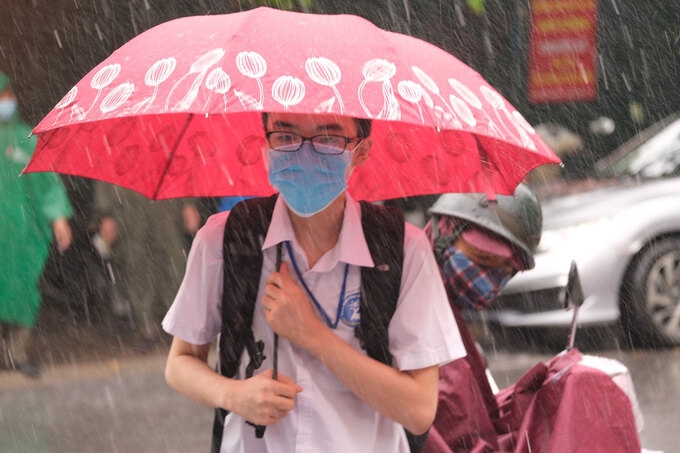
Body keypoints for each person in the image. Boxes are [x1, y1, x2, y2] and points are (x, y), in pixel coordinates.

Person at [162, 112, 465, 452]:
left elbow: (419, 410)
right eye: (285, 136)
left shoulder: (404, 251)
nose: (304, 152)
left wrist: (312, 335)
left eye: (329, 138)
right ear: (266, 146)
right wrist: (232, 394)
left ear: (361, 151)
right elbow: (180, 362)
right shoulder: (224, 240)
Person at [422, 184, 543, 452]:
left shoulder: (443, 303)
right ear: (446, 230)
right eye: (482, 257)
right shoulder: (416, 303)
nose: (488, 278)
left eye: (505, 270)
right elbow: (459, 433)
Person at [0, 71, 73, 379]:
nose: (6, 103)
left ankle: (15, 355)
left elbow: (47, 182)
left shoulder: (27, 139)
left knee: (23, 291)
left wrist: (58, 218)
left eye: (8, 96)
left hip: (24, 234)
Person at [93, 183, 203, 349]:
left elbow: (181, 164)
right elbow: (106, 173)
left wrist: (189, 203)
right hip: (128, 201)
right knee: (135, 263)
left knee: (173, 261)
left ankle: (178, 322)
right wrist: (106, 214)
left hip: (166, 199)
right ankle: (145, 325)